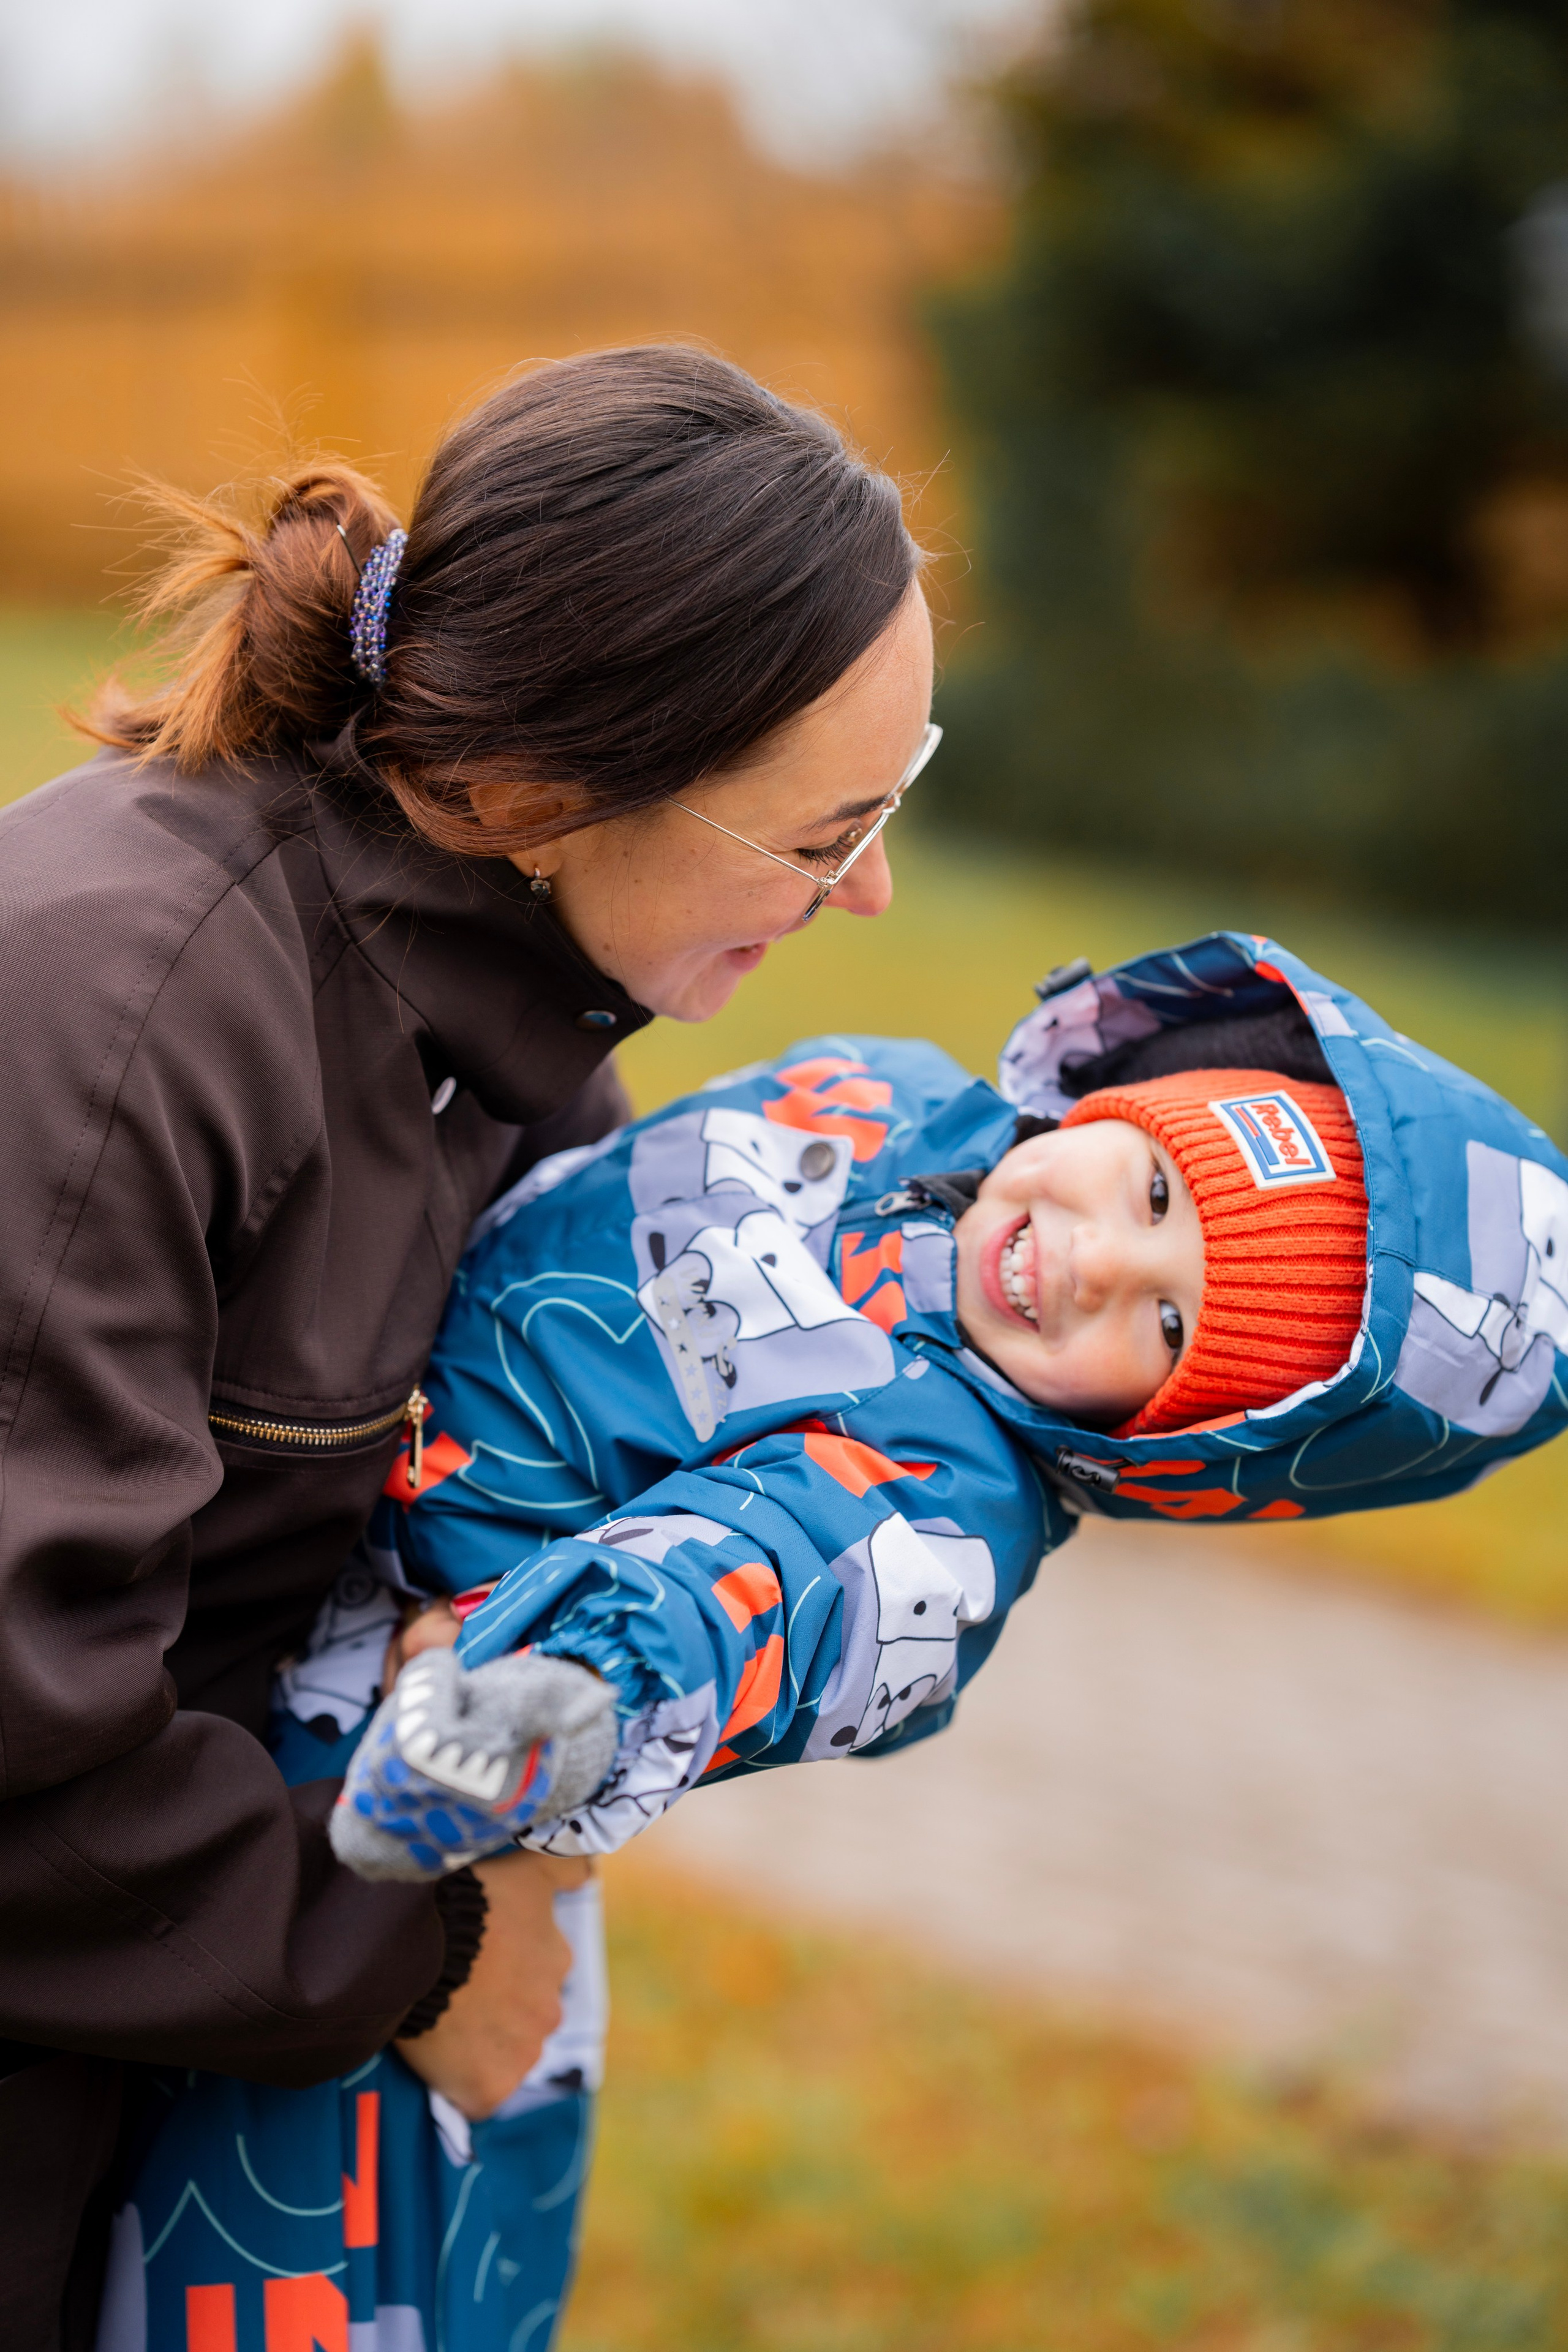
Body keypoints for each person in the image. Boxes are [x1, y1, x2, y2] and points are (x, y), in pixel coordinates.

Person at [103, 933, 1568, 2347]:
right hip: (332, 1448)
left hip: (421, 1699)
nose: (1096, 1263)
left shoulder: (938, 1499)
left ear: (1178, 1444)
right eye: (1150, 1189)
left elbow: (764, 1582)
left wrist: (560, 1693)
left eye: (1171, 1327)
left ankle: (526, 1721)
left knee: (281, 2236)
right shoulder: (882, 1093)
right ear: (1133, 1090)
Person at [0, 344, 935, 2352]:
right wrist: (417, 1946)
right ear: (529, 792)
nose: (872, 891)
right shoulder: (109, 1019)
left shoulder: (520, 1039)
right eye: (818, 834)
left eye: (898, 795)